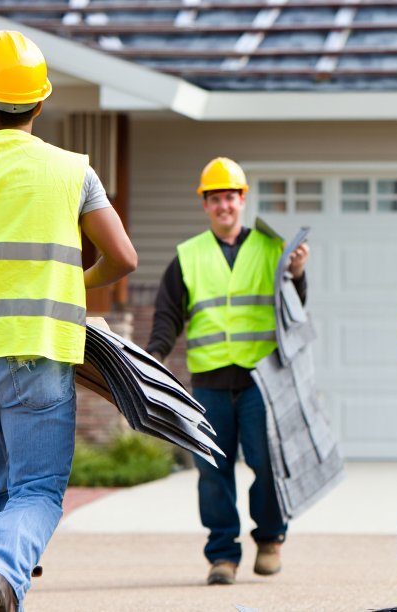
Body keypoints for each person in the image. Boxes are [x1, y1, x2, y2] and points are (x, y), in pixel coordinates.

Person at [0, 31, 137, 612]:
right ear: (40, 101)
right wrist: (65, 284)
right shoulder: (71, 170)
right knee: (36, 490)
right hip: (36, 355)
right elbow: (123, 259)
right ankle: (2, 574)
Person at [145, 157, 309, 585]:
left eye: (230, 198)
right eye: (214, 199)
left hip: (261, 382)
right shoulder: (188, 256)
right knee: (212, 472)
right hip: (211, 384)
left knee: (267, 464)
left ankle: (270, 539)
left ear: (242, 200)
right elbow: (167, 317)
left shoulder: (273, 248)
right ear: (205, 205)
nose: (223, 207)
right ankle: (223, 556)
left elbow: (294, 308)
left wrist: (298, 273)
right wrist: (152, 357)